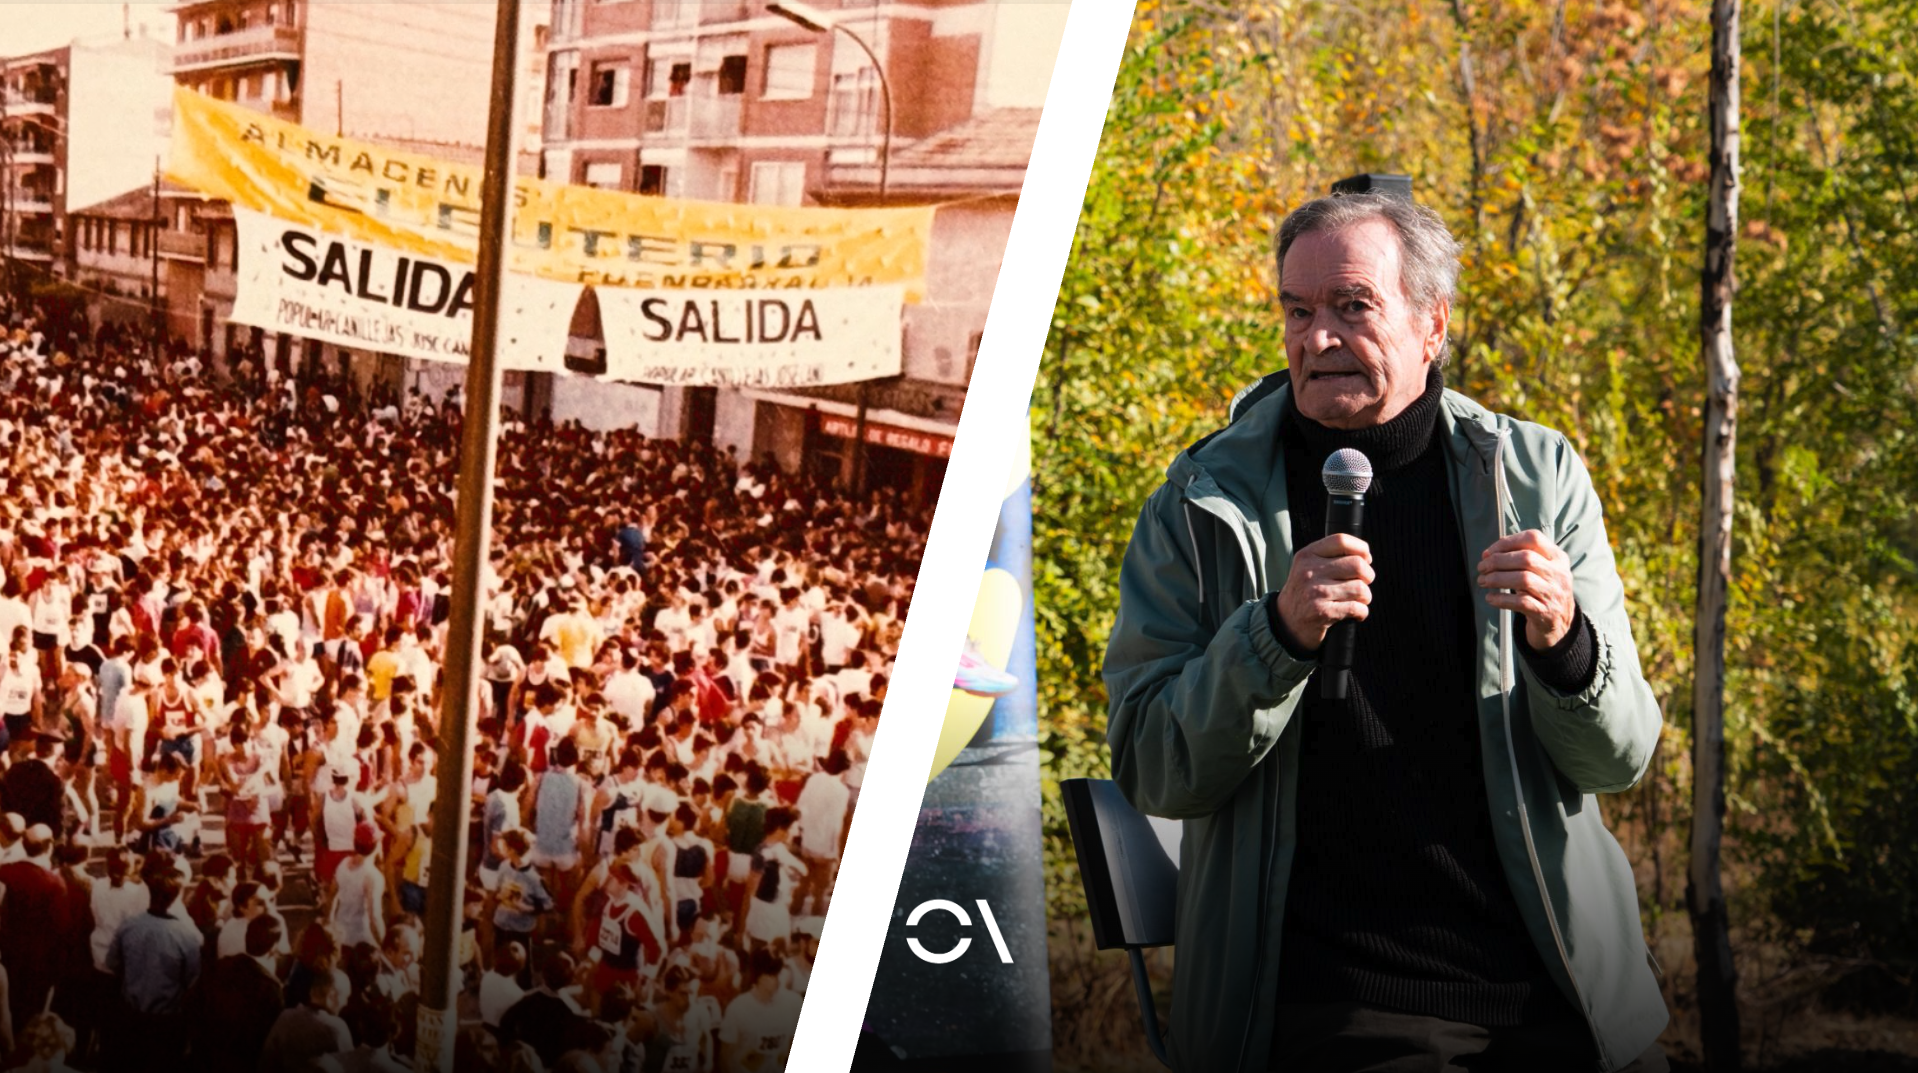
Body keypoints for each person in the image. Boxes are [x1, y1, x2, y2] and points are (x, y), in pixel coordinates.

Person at [1102, 191, 1668, 1072]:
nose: (1317, 337)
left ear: (1432, 323)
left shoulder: (1535, 477)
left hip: (1567, 990)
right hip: (1345, 1003)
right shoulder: (1202, 505)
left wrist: (1565, 644)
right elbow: (1150, 765)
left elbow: (1619, 757)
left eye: (1352, 306)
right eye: (1298, 311)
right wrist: (1274, 638)